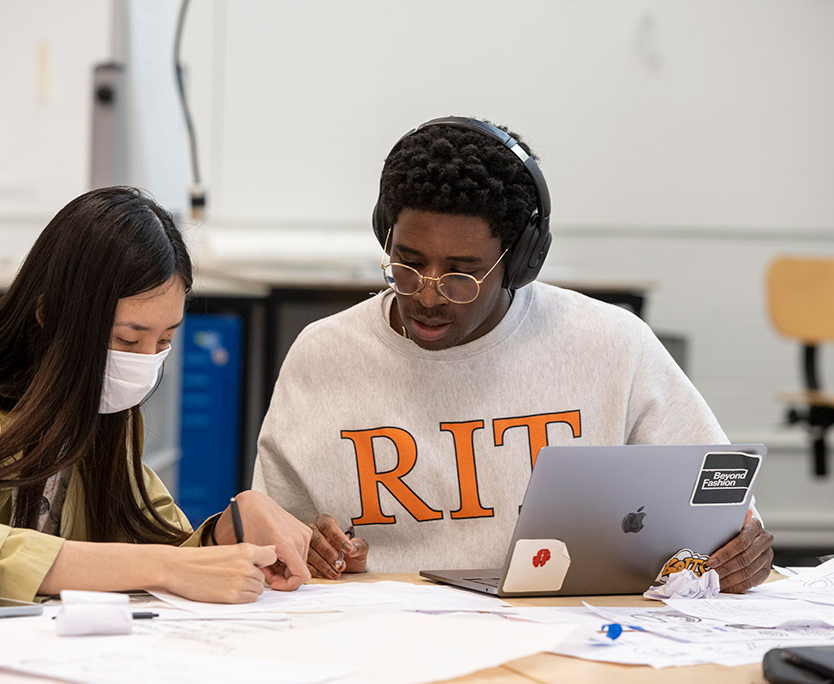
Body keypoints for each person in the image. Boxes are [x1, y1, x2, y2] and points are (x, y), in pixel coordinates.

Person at [252, 116, 773, 593]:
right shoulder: (323, 356)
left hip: (575, 638)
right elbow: (273, 544)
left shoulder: (611, 344)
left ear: (520, 263)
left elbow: (723, 506)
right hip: (387, 640)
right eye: (407, 265)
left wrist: (739, 550)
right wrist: (311, 551)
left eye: (462, 274)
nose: (429, 296)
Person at [0, 186, 311, 603]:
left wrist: (234, 526)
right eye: (127, 339)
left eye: (163, 341)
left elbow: (160, 542)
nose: (145, 361)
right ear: (49, 315)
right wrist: (166, 566)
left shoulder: (106, 417)